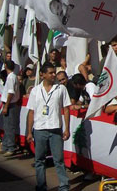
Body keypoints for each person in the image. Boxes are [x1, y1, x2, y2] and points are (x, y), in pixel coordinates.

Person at [26, 62, 71, 191]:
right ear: (43, 75)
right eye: (50, 73)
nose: (53, 75)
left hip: (55, 128)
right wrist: (29, 131)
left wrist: (67, 128)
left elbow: (66, 109)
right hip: (40, 129)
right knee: (39, 160)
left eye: (54, 73)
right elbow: (31, 111)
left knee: (59, 159)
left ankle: (64, 186)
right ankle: (41, 185)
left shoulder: (61, 89)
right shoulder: (35, 91)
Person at [0, 60, 20, 156]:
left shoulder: (11, 77)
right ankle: (5, 145)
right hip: (9, 104)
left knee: (9, 127)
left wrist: (6, 106)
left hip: (10, 104)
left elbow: (11, 92)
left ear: (5, 66)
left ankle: (11, 147)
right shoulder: (12, 77)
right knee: (6, 126)